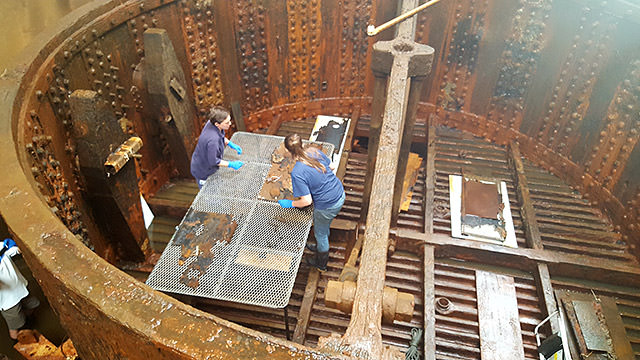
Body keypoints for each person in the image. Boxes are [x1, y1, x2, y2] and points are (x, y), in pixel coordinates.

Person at [278, 133, 345, 271]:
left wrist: (291, 204)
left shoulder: (298, 172)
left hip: (327, 205)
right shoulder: (313, 151)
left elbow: (307, 201)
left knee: (320, 234)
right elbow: (331, 167)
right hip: (339, 192)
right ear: (302, 143)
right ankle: (321, 246)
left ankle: (321, 263)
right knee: (323, 227)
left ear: (288, 151)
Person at [190, 107, 244, 188]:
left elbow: (220, 136)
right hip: (203, 171)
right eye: (226, 122)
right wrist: (231, 164)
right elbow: (214, 161)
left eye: (229, 120)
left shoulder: (211, 123)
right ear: (217, 124)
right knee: (209, 193)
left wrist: (230, 143)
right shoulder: (213, 141)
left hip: (200, 159)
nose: (230, 124)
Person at [0, 238, 39, 340]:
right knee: (15, 328)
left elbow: (12, 248)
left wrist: (19, 248)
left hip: (21, 288)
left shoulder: (1, 248)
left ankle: (26, 323)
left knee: (33, 305)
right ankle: (18, 341)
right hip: (8, 302)